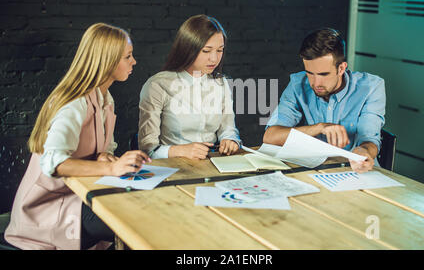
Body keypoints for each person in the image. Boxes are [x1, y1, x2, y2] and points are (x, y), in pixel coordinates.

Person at [5, 23, 150, 250]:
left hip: (77, 197)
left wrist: (103, 156)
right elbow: (54, 163)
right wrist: (112, 169)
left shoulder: (105, 99)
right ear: (107, 61)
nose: (134, 62)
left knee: (139, 208)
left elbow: (102, 147)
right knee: (135, 223)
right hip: (49, 209)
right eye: (128, 56)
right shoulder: (74, 104)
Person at [263, 28, 385, 173]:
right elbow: (270, 136)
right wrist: (320, 127)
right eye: (310, 73)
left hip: (358, 173)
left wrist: (364, 151)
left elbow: (370, 140)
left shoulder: (371, 87)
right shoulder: (298, 84)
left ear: (341, 68)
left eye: (323, 74)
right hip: (316, 172)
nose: (316, 83)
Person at [138, 14, 241, 160]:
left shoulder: (221, 83)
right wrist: (179, 151)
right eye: (206, 51)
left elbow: (228, 128)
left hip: (211, 163)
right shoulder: (158, 85)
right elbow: (147, 149)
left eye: (220, 50)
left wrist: (230, 140)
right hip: (172, 166)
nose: (214, 58)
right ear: (188, 48)